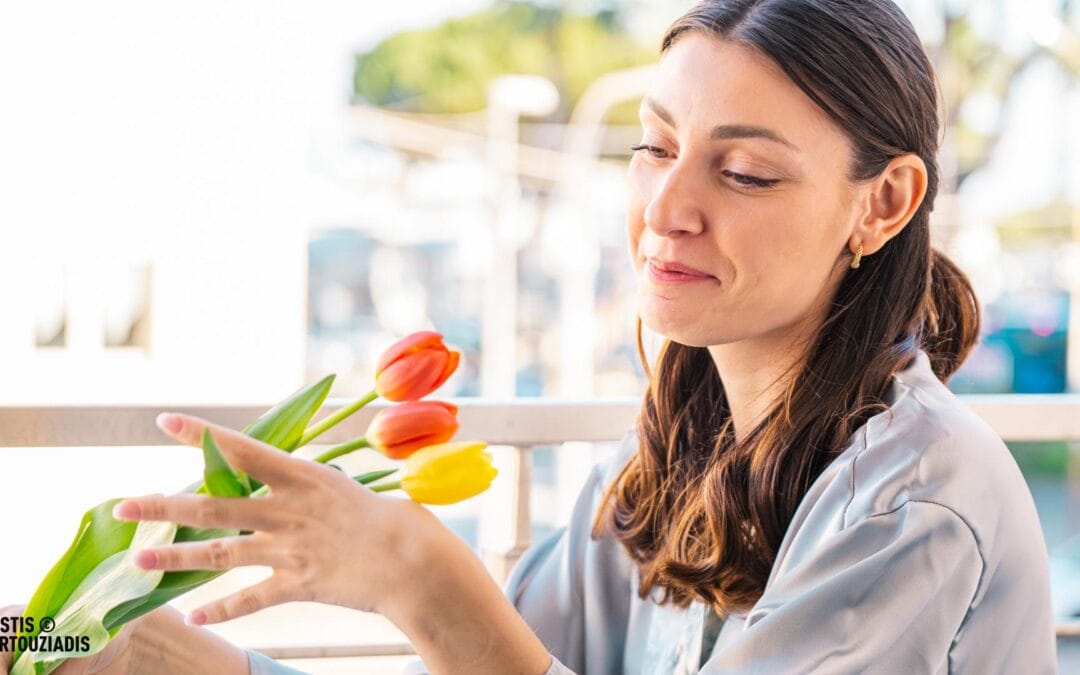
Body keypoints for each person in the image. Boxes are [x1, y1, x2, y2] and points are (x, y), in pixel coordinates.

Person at [2, 0, 1059, 672]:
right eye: (653, 146)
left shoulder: (915, 504)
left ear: (882, 205)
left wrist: (428, 580)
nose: (665, 208)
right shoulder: (666, 470)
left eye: (743, 172)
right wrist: (134, 653)